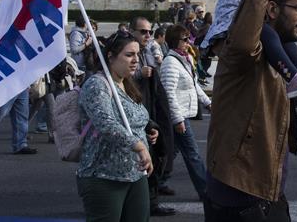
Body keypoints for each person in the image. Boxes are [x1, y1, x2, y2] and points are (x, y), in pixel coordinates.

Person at [204, 0, 297, 221]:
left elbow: (288, 5)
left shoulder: (276, 49)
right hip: (238, 193)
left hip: (268, 190)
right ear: (270, 10)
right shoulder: (244, 51)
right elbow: (271, 11)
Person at [77, 32, 155, 222]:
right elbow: (106, 123)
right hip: (104, 176)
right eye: (129, 55)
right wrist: (139, 145)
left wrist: (148, 130)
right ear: (111, 56)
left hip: (135, 173)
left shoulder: (126, 83)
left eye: (137, 54)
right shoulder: (97, 84)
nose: (136, 60)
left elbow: (135, 116)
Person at [129, 17, 176, 217]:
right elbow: (117, 75)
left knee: (157, 153)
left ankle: (151, 199)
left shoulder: (148, 49)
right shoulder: (126, 49)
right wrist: (140, 72)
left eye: (149, 31)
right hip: (134, 111)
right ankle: (144, 202)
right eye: (143, 32)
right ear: (132, 31)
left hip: (148, 109)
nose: (147, 35)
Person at [159, 24, 209, 202]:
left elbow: (194, 84)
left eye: (189, 39)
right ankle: (205, 191)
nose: (189, 42)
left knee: (171, 151)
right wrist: (178, 119)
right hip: (178, 116)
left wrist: (208, 103)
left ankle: (157, 181)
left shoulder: (184, 59)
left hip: (183, 113)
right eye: (185, 39)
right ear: (175, 41)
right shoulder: (170, 63)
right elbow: (168, 94)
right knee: (192, 153)